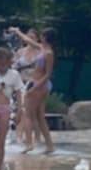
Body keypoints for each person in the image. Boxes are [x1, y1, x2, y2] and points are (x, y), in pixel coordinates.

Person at [12, 26, 57, 155]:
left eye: (42, 35)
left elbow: (48, 74)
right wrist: (17, 31)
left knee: (27, 114)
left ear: (46, 37)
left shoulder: (49, 53)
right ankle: (50, 146)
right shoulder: (42, 48)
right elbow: (28, 40)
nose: (40, 37)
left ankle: (29, 144)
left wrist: (34, 88)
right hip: (37, 84)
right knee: (39, 117)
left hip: (38, 85)